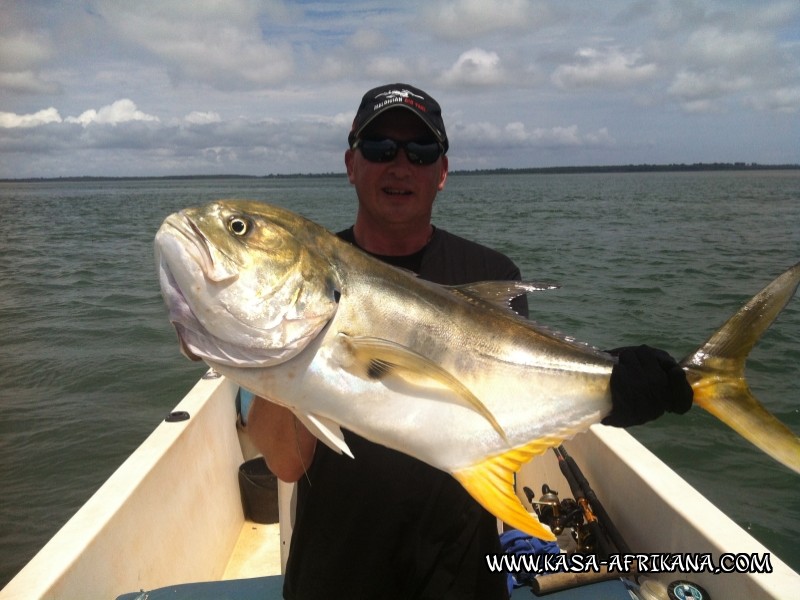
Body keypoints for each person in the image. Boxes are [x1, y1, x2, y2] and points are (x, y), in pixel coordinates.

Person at [244, 83, 693, 599]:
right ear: (351, 164)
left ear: (442, 172)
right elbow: (283, 462)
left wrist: (611, 386)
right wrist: (284, 351)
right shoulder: (319, 270)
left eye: (421, 151)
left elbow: (513, 403)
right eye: (379, 148)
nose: (400, 165)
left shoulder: (488, 274)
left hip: (461, 574)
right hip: (337, 573)